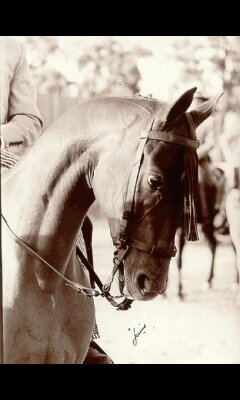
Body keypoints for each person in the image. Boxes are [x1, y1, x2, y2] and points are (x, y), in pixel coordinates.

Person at [1, 37, 113, 364]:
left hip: (2, 158)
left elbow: (29, 121)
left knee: (73, 219)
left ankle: (83, 335)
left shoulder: (10, 46)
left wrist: (2, 135)